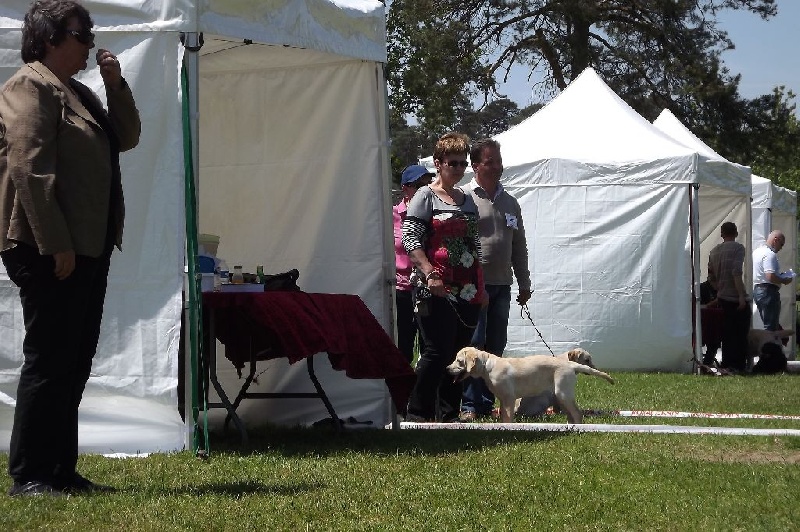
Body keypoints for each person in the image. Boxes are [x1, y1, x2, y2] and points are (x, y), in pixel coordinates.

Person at [0, 0, 141, 496]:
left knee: (74, 358)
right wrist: (54, 242)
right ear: (48, 39)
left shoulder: (76, 90)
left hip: (87, 244)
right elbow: (30, 170)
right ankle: (30, 474)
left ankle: (59, 468)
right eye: (81, 34)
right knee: (49, 357)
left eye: (89, 33)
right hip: (47, 245)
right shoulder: (28, 87)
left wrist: (115, 83)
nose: (89, 41)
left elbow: (127, 136)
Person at [402, 133, 486, 422]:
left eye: (464, 164)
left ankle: (449, 414)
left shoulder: (468, 199)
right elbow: (410, 239)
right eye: (453, 163)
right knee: (436, 352)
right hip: (434, 289)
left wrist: (481, 286)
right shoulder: (425, 196)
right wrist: (428, 273)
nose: (459, 169)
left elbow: (475, 245)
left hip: (468, 289)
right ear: (438, 163)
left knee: (459, 355)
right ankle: (417, 413)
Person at [459, 138, 531, 421]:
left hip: (503, 284)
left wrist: (524, 282)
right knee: (474, 349)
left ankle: (487, 403)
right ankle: (468, 406)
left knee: (496, 347)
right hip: (473, 286)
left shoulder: (510, 202)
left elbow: (519, 246)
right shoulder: (464, 198)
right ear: (476, 165)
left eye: (499, 161)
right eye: (490, 162)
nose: (497, 167)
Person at [393, 165, 434, 363]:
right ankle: (404, 392)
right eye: (419, 185)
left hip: (428, 287)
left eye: (428, 184)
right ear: (405, 188)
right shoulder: (391, 216)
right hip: (402, 289)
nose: (425, 190)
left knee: (430, 347)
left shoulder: (433, 214)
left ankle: (426, 392)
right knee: (403, 346)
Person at [706, 222, 750, 371]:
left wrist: (720, 290)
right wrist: (741, 297)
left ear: (722, 234)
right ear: (736, 233)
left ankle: (726, 364)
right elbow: (736, 272)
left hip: (723, 298)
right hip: (735, 297)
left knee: (727, 334)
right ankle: (738, 365)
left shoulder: (714, 251)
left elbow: (711, 277)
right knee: (740, 334)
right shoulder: (738, 248)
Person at [752, 230, 793, 331]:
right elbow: (770, 276)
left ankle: (767, 345)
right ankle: (769, 346)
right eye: (781, 244)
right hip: (768, 292)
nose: (781, 248)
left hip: (758, 289)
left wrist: (780, 275)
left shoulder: (757, 251)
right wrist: (784, 280)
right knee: (771, 328)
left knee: (768, 325)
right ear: (775, 240)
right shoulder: (770, 254)